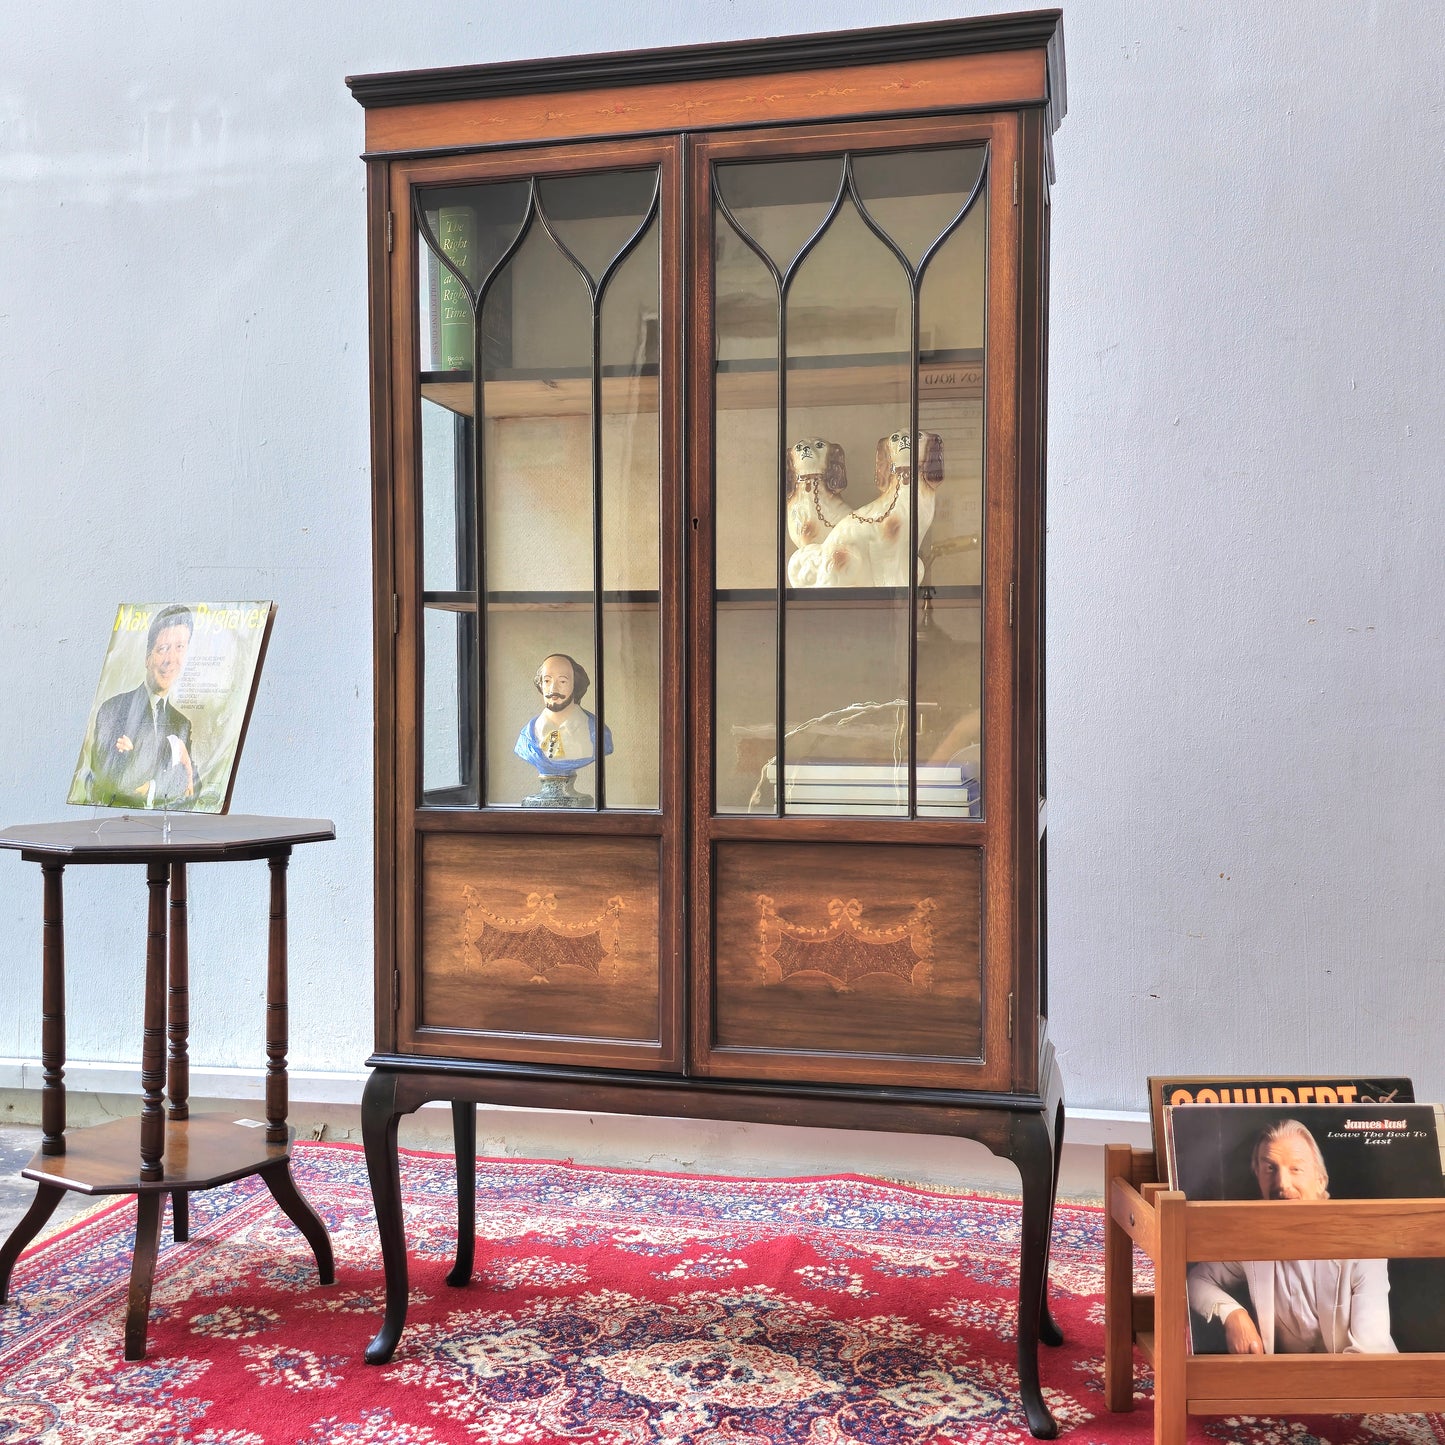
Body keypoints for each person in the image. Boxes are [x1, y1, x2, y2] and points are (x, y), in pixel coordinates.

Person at [1187, 1118, 1396, 1354]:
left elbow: (1370, 1356)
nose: (1282, 1184)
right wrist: (1233, 1314)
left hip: (1365, 1386)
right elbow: (1196, 1281)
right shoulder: (1252, 1237)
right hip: (1284, 1384)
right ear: (1258, 1176)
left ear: (1320, 1181)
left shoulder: (1365, 1243)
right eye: (1270, 1168)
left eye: (1296, 1169)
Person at [85, 606, 198, 808]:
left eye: (180, 647)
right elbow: (105, 780)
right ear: (148, 658)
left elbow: (191, 789)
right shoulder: (113, 709)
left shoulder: (182, 724)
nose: (171, 660)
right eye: (163, 649)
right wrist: (167, 781)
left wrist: (150, 784)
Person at [514, 652, 613, 777]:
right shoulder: (527, 736)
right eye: (547, 681)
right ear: (540, 684)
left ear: (575, 684)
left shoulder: (598, 733)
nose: (553, 689)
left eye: (562, 681)